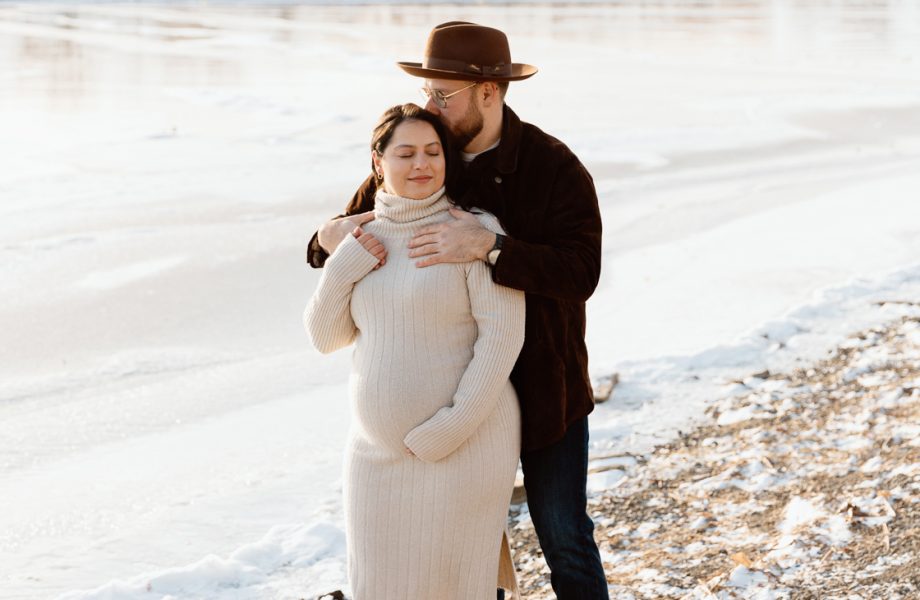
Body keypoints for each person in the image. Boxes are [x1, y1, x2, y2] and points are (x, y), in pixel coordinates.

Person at [307, 22, 607, 600]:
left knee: (564, 537)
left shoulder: (554, 167)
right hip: (438, 386)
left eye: (442, 94)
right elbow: (357, 225)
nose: (430, 106)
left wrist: (492, 249)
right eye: (427, 93)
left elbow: (581, 274)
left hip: (545, 382)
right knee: (448, 552)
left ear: (490, 92)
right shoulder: (428, 150)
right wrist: (324, 239)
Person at [305, 103, 525, 600]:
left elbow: (503, 337)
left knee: (454, 585)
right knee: (378, 586)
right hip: (373, 452)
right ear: (379, 162)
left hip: (463, 443)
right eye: (405, 153)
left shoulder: (470, 229)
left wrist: (448, 428)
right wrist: (344, 265)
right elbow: (325, 338)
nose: (421, 164)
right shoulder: (361, 237)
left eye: (432, 152)